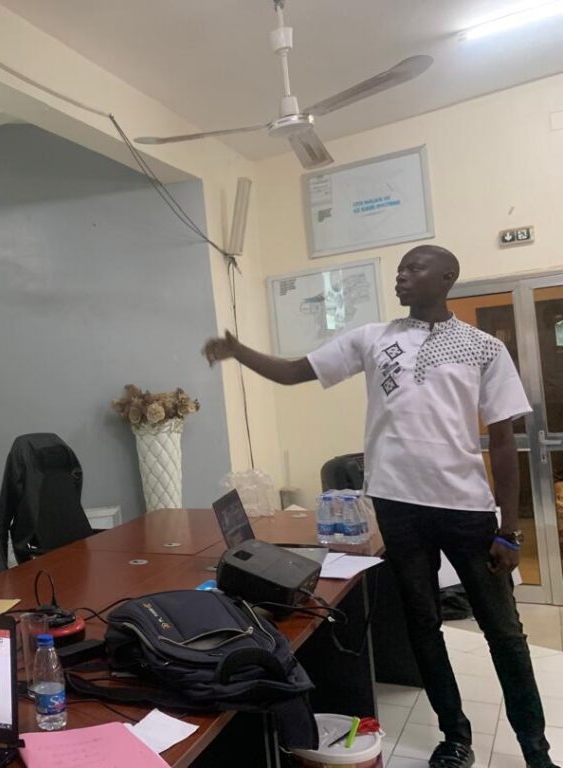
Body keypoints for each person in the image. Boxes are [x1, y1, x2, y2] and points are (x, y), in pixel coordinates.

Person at [203, 245, 556, 768]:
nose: (402, 277)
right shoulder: (373, 338)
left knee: (504, 632)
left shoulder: (483, 347)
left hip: (466, 510)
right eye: (400, 269)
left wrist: (509, 529)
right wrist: (240, 351)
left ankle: (535, 750)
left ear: (447, 277)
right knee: (422, 628)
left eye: (414, 268)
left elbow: (503, 441)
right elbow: (296, 371)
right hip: (398, 508)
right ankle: (454, 737)